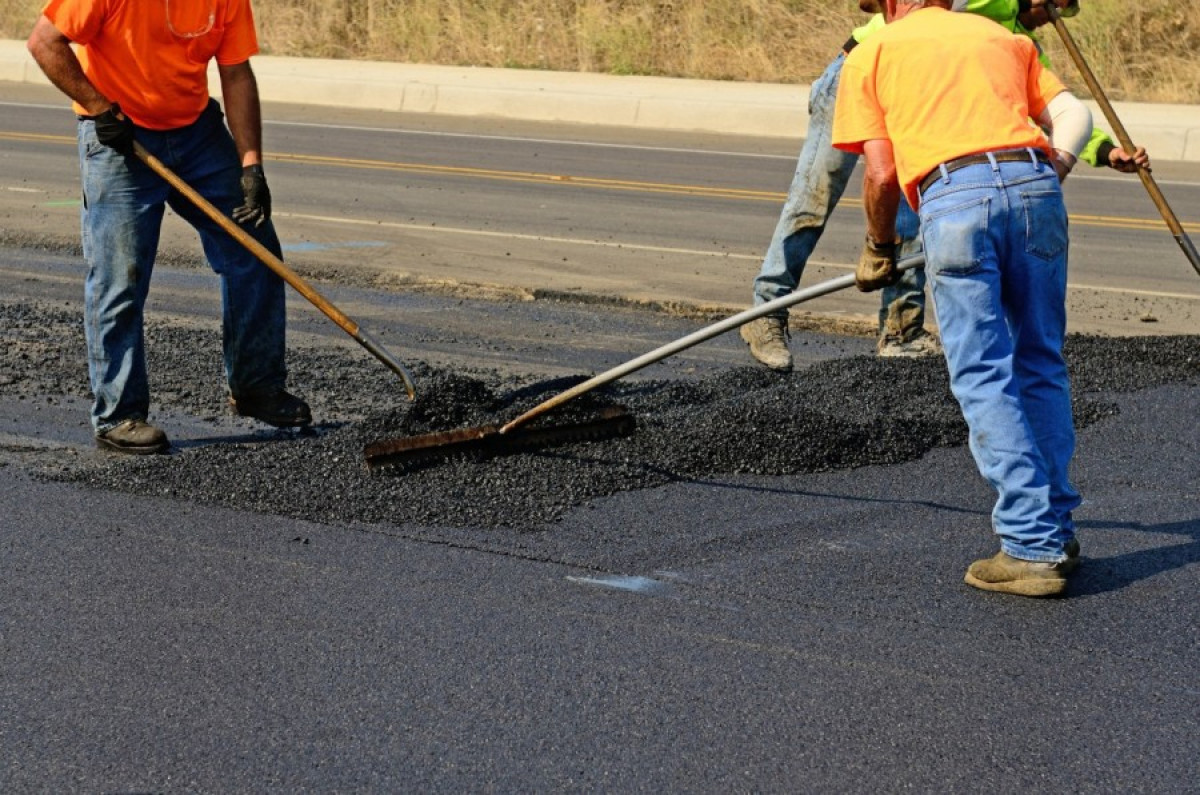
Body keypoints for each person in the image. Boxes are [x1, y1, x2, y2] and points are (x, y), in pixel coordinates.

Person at [830, 0, 1144, 596]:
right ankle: (1057, 527)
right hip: (1035, 184)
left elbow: (880, 174)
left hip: (953, 197)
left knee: (982, 373)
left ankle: (1031, 545)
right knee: (1040, 360)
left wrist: (878, 246)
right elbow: (1071, 115)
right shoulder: (997, 35)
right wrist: (1051, 167)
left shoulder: (871, 52)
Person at [739, 0, 1147, 371]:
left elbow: (1044, 102)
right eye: (1055, 4)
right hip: (861, 73)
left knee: (921, 205)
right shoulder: (984, 8)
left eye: (1064, 9)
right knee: (815, 198)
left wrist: (1105, 150)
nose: (1052, 15)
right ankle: (767, 312)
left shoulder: (1014, 37)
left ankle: (901, 331)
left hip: (913, 92)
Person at [27, 0, 311, 455]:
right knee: (121, 275)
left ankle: (256, 386)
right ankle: (118, 415)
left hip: (197, 133)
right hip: (119, 135)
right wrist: (100, 109)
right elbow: (44, 43)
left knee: (255, 246)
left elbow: (236, 72)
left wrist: (251, 166)